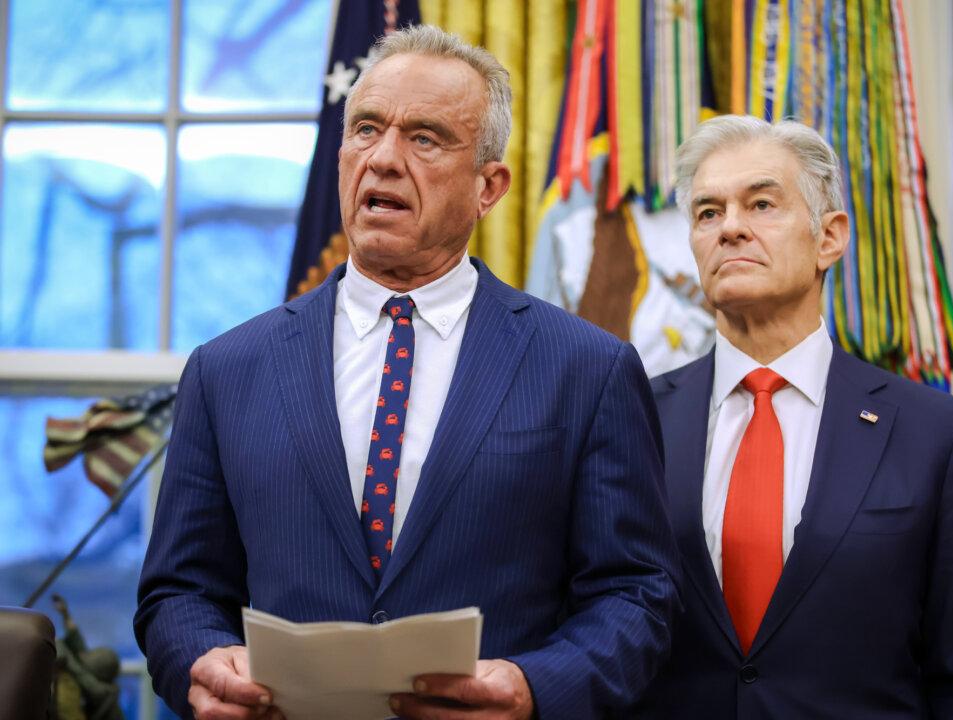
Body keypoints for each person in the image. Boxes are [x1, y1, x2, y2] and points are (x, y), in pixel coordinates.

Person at [135, 25, 679, 720]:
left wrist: (536, 687)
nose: (384, 158)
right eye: (366, 129)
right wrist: (201, 662)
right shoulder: (228, 370)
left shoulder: (587, 369)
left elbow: (636, 594)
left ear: (489, 187)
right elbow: (177, 592)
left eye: (424, 139)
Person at [630, 115, 953, 718]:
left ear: (829, 237)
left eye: (760, 204)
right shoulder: (631, 418)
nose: (730, 228)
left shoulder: (937, 433)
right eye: (708, 213)